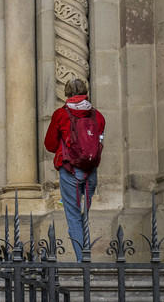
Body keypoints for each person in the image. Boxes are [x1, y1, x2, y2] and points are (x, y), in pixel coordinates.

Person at [44, 77, 104, 261]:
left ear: (67, 93)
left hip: (70, 171)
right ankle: (85, 251)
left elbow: (50, 144)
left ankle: (83, 260)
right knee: (84, 215)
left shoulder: (61, 114)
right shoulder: (97, 115)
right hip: (91, 171)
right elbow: (99, 142)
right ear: (85, 91)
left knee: (73, 216)